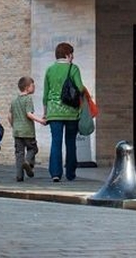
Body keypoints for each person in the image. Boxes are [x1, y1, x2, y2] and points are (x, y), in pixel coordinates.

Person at [43, 42, 84, 182]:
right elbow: (80, 88)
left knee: (56, 142)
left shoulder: (50, 70)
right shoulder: (74, 68)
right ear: (67, 55)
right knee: (70, 142)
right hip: (71, 111)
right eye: (72, 54)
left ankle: (55, 173)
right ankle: (70, 173)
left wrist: (45, 112)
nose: (73, 57)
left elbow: (45, 94)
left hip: (54, 112)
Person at [8, 76, 46, 181]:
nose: (34, 87)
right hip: (28, 131)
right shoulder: (28, 99)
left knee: (19, 153)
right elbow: (29, 114)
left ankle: (19, 176)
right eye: (33, 85)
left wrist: (14, 126)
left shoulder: (14, 100)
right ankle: (28, 162)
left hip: (17, 131)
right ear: (26, 87)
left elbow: (9, 116)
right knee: (33, 149)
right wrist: (41, 120)